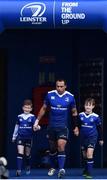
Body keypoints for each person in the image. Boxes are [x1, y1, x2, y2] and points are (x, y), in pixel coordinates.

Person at [33, 79, 79, 178]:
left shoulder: (70, 97)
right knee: (53, 149)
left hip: (63, 127)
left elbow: (74, 112)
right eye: (57, 86)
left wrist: (76, 126)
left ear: (65, 86)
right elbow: (44, 108)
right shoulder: (50, 94)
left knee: (61, 146)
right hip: (51, 127)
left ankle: (61, 169)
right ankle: (53, 167)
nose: (59, 88)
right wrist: (37, 121)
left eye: (61, 86)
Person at [12, 99, 40, 176]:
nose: (27, 109)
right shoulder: (19, 117)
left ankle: (27, 165)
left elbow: (37, 126)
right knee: (20, 153)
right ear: (23, 108)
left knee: (27, 154)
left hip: (29, 138)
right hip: (20, 137)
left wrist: (37, 127)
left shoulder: (33, 117)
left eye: (28, 108)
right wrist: (14, 137)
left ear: (31, 109)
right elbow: (16, 127)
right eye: (25, 107)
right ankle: (18, 170)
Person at [79, 98, 104, 179]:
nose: (88, 107)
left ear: (93, 106)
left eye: (90, 105)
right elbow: (77, 125)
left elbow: (100, 128)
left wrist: (101, 139)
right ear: (84, 106)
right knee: (85, 156)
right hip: (83, 138)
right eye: (86, 105)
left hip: (92, 137)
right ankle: (86, 169)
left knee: (90, 154)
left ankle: (89, 173)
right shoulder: (80, 115)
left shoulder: (96, 117)